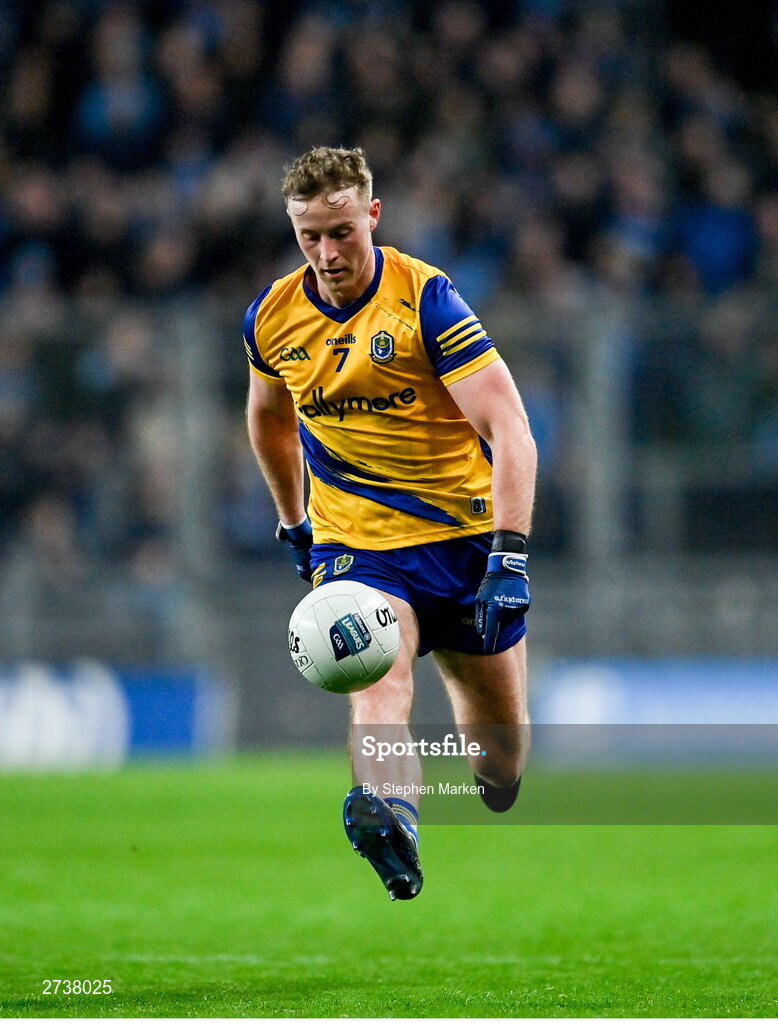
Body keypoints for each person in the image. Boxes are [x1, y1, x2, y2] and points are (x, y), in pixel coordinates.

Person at [245, 146, 537, 901]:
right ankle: (394, 820)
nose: (327, 252)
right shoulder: (272, 319)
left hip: (463, 541)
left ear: (372, 214)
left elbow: (510, 427)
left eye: (341, 231)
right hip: (359, 548)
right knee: (378, 680)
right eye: (310, 236)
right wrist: (293, 521)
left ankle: (480, 784)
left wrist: (510, 555)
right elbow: (270, 418)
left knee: (499, 761)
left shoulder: (426, 300)